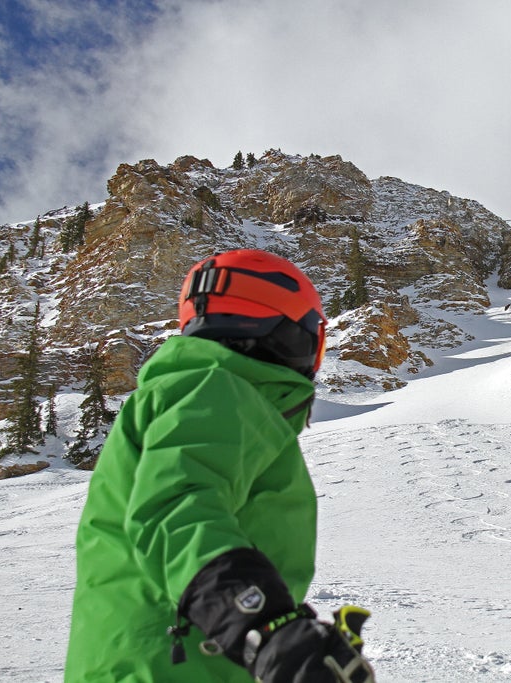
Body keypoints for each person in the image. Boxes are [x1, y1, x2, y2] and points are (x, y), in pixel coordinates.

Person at [66, 249, 375, 683]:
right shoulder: (216, 390)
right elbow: (177, 507)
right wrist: (264, 625)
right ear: (296, 329)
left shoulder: (190, 390)